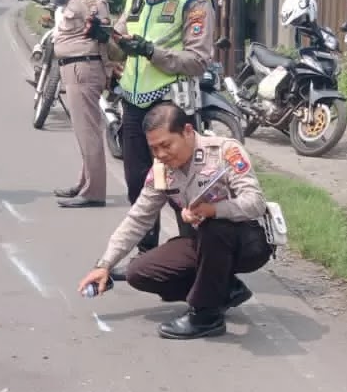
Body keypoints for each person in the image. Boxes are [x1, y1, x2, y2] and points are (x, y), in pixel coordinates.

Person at [77, 103, 273, 340]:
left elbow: (255, 203)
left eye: (166, 145)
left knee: (215, 227)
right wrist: (104, 265)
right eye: (154, 148)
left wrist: (214, 210)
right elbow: (138, 218)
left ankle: (206, 316)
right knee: (139, 273)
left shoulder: (224, 151)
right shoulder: (162, 171)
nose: (161, 154)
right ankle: (226, 289)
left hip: (247, 241)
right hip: (201, 242)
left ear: (187, 131)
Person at [107, 0, 217, 255]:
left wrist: (151, 52)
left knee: (181, 188)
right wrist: (105, 36)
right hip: (133, 105)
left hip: (171, 108)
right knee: (137, 184)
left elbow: (197, 60)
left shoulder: (194, 2)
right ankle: (148, 255)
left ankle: (194, 257)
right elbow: (118, 43)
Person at [46, 0, 113, 208]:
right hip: (74, 68)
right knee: (82, 130)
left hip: (84, 69)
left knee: (88, 132)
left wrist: (108, 71)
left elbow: (104, 35)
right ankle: (85, 182)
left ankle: (94, 191)